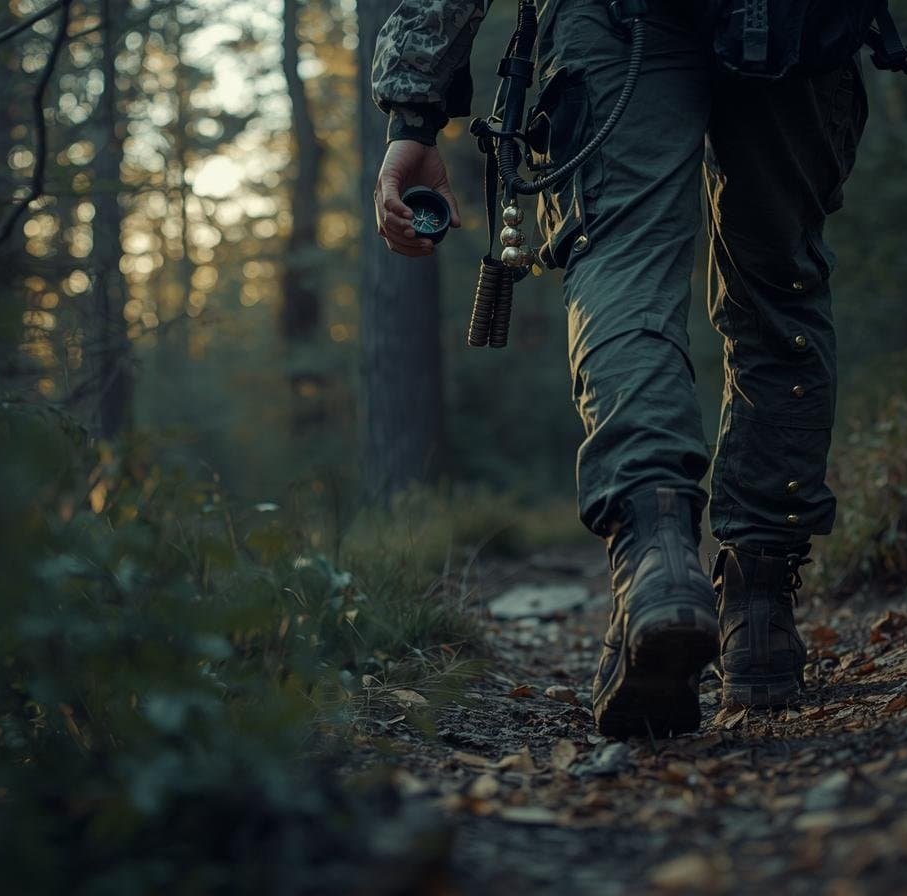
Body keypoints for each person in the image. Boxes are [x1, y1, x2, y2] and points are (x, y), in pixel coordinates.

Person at [370, 0, 867, 737]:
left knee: (623, 264)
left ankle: (657, 561)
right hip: (795, 23)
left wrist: (414, 115)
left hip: (616, 21)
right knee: (779, 293)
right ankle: (758, 617)